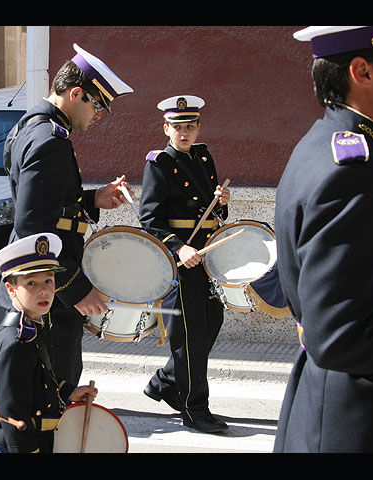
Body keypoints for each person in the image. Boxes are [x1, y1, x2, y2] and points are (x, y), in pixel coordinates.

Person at [274, 26, 373, 453]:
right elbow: (343, 335)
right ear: (362, 71)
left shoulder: (330, 144)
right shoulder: (352, 171)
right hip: (358, 420)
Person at [0, 43, 133, 385]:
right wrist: (74, 287)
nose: (99, 115)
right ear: (76, 93)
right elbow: (32, 227)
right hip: (47, 293)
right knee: (55, 393)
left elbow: (46, 204)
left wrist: (91, 200)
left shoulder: (29, 128)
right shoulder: (50, 140)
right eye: (98, 104)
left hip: (37, 289)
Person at [139, 95, 231, 433]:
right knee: (190, 335)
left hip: (204, 256)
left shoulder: (204, 156)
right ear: (166, 128)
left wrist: (221, 205)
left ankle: (165, 382)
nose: (184, 132)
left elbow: (212, 213)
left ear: (198, 128)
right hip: (180, 260)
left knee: (211, 318)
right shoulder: (159, 163)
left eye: (189, 126)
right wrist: (178, 249)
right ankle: (195, 410)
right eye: (177, 127)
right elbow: (150, 219)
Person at [0, 233, 98, 453]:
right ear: (10, 289)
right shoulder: (15, 341)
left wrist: (67, 392)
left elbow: (39, 381)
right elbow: (12, 415)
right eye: (31, 283)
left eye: (48, 280)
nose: (44, 290)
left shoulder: (34, 324)